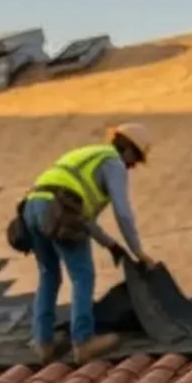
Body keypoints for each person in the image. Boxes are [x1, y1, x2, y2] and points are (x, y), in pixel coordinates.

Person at [22, 122, 155, 366]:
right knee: (82, 276)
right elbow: (122, 212)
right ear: (127, 149)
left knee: (48, 274)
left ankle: (43, 343)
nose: (132, 166)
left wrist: (110, 245)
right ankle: (83, 342)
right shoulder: (113, 163)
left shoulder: (87, 156)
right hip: (59, 210)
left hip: (32, 207)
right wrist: (138, 252)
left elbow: (84, 220)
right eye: (135, 159)